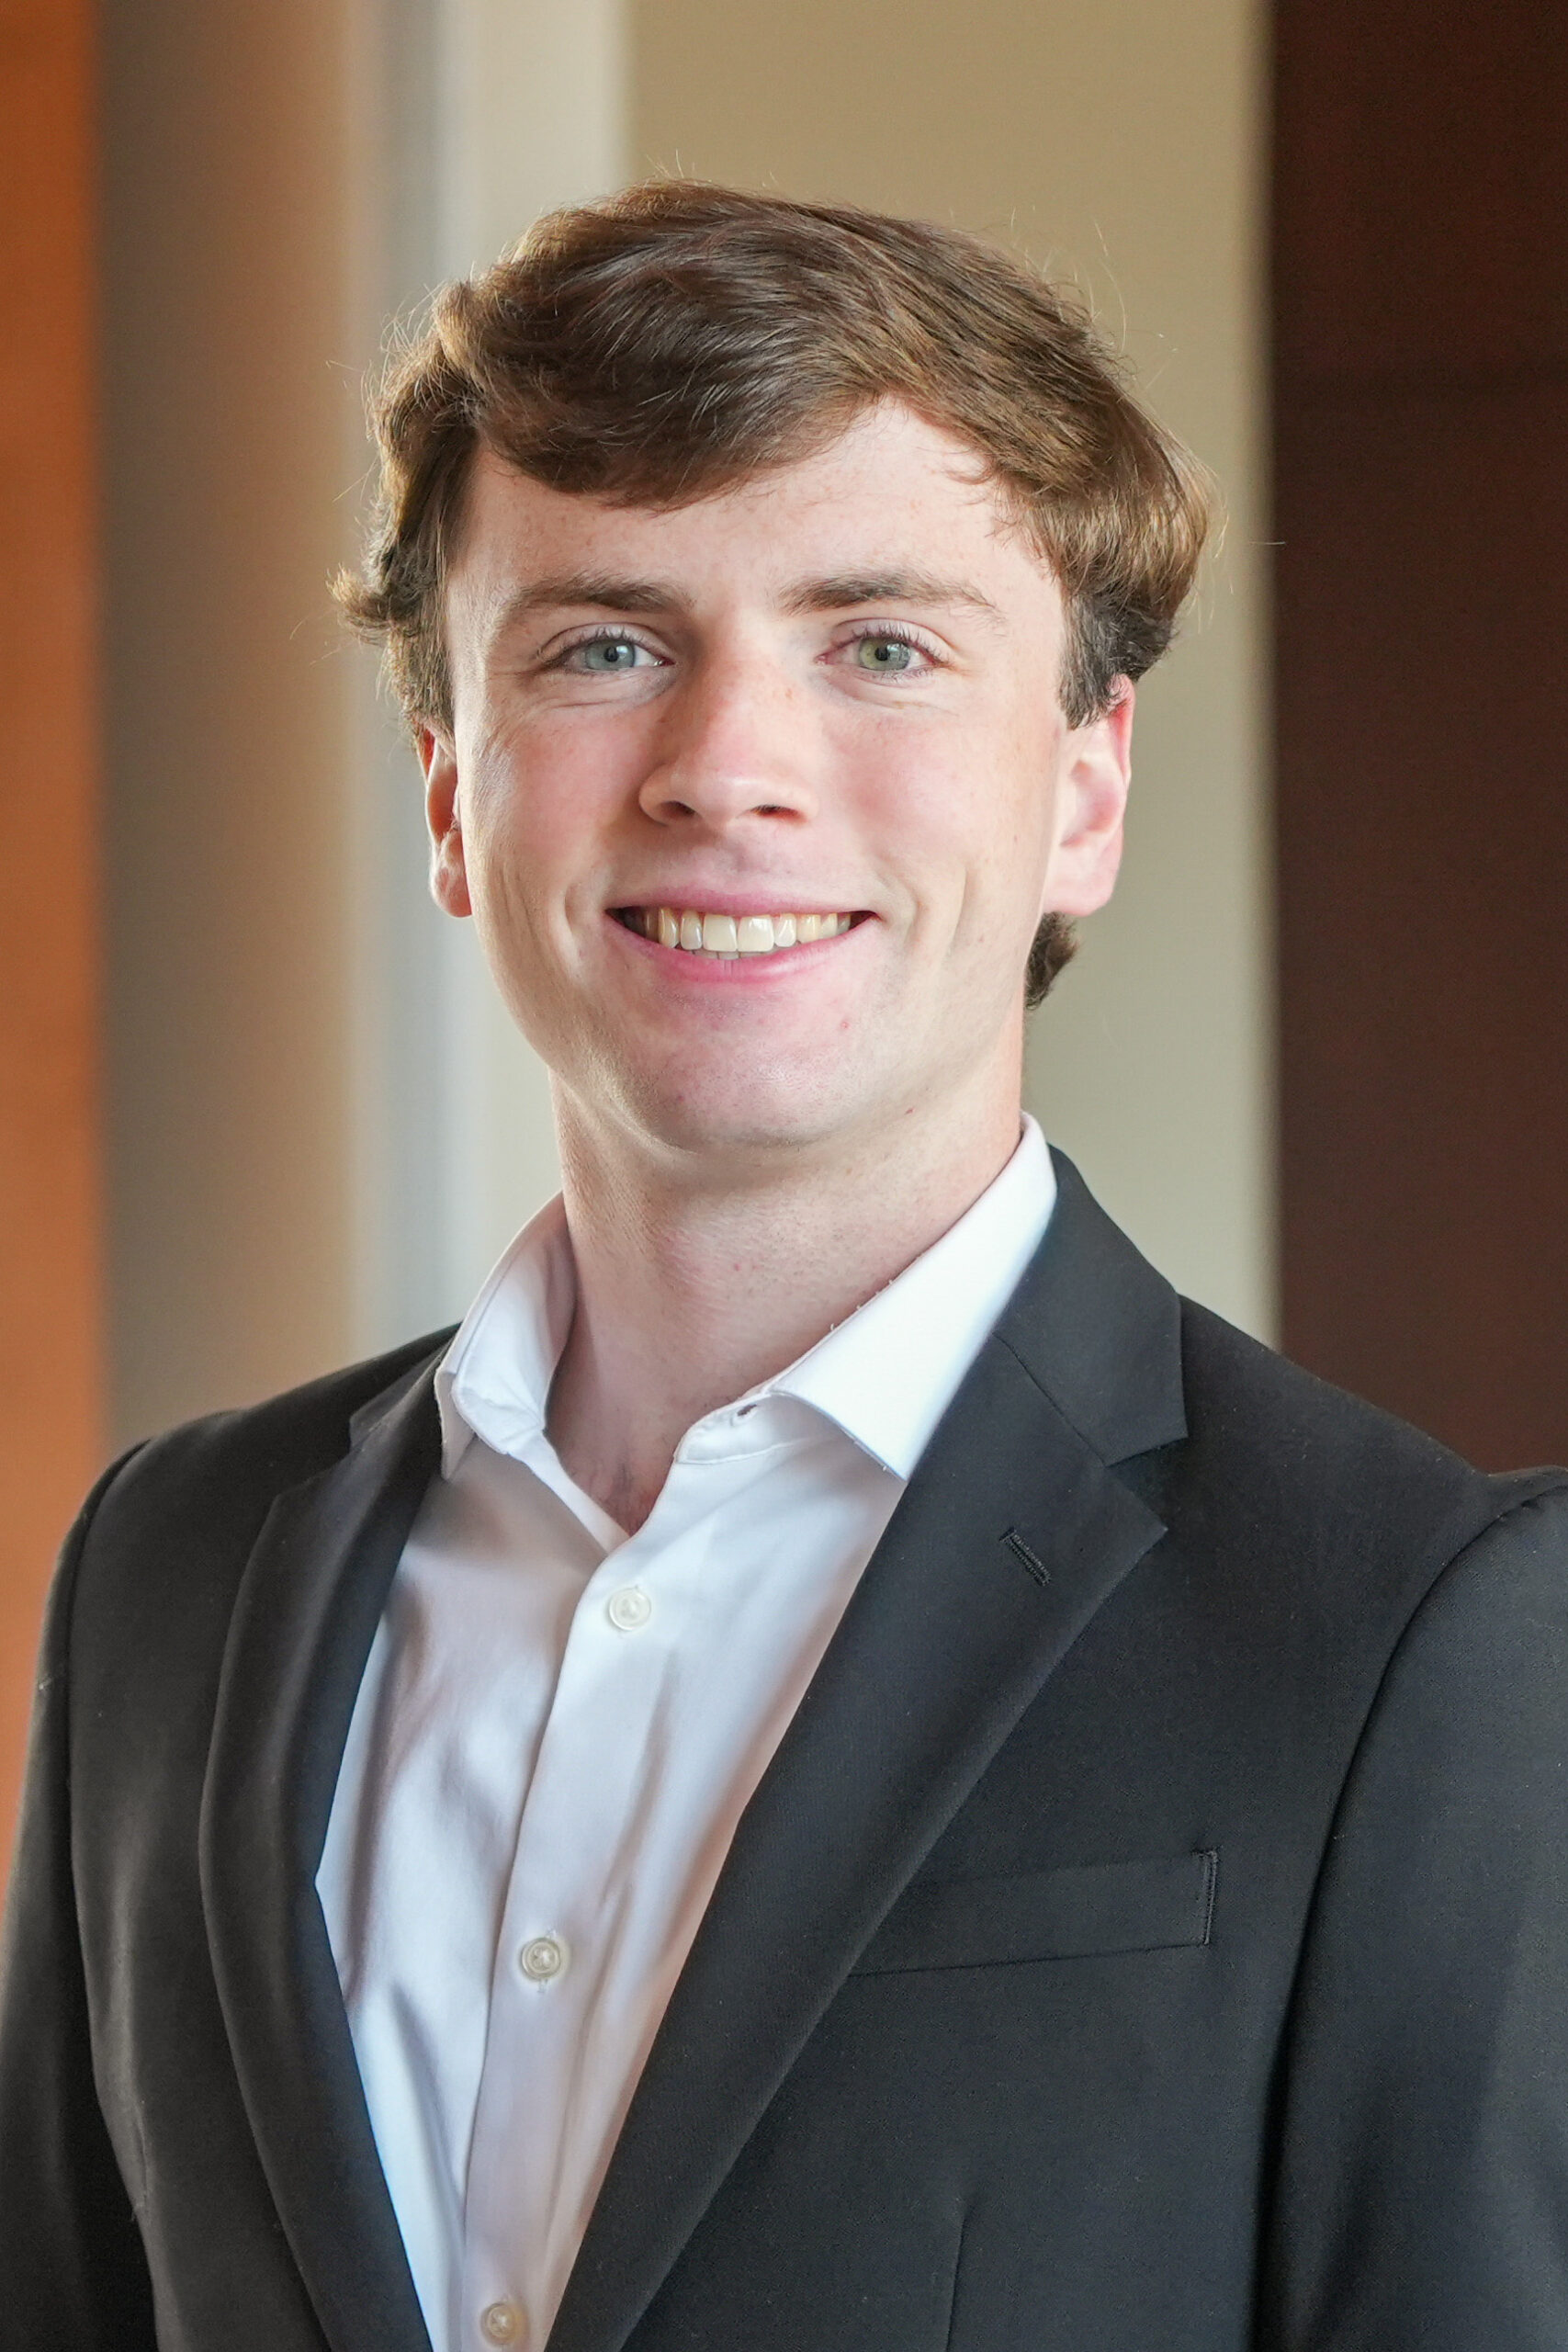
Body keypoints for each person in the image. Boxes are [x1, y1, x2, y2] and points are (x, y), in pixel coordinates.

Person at [3, 181, 1567, 2352]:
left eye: (882, 646)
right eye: (603, 643)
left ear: (1082, 791)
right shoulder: (166, 1572)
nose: (724, 767)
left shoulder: (1417, 1630)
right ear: (452, 796)